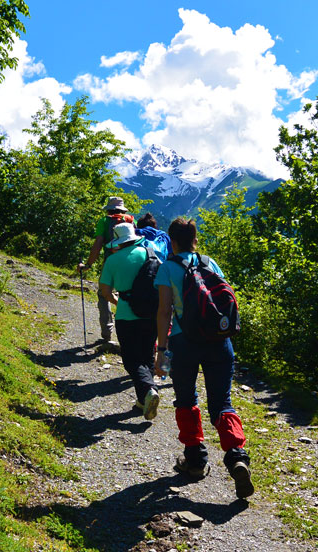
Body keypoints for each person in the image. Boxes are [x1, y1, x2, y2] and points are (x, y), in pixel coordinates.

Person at [153, 217, 254, 498]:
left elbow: (164, 312)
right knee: (223, 402)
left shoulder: (167, 268)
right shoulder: (210, 263)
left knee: (186, 400)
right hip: (220, 342)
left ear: (171, 241)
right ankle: (236, 456)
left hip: (184, 343)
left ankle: (195, 461)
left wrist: (162, 352)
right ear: (195, 240)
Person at [98, 222, 160, 420]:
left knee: (132, 360)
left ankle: (149, 389)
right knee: (147, 355)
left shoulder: (113, 260)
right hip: (152, 314)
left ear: (117, 241)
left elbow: (105, 291)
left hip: (126, 315)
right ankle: (143, 401)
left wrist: (118, 301)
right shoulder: (150, 254)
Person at [77, 196, 134, 343]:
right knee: (128, 293)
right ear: (122, 209)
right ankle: (129, 332)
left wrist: (88, 265)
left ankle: (107, 333)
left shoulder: (104, 221)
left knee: (104, 294)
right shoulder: (129, 220)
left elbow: (98, 244)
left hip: (111, 262)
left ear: (108, 209)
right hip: (131, 262)